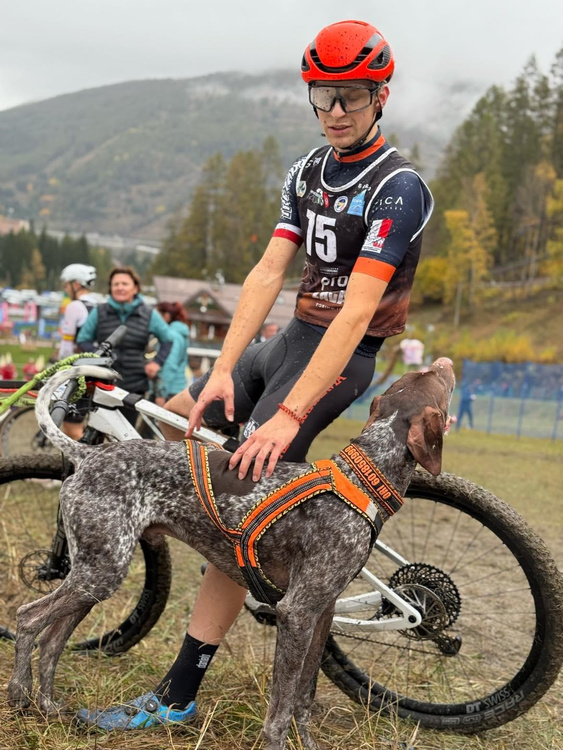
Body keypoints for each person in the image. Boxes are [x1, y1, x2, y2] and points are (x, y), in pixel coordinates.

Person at [77, 19, 433, 730]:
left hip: (339, 353)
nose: (335, 110)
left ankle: (178, 694)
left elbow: (356, 311)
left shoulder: (398, 187)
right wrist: (219, 371)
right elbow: (269, 271)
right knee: (174, 415)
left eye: (351, 96)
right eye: (322, 96)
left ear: (381, 96)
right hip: (286, 339)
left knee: (239, 496)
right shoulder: (306, 170)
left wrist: (290, 414)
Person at [76, 267, 172, 425]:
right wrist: (98, 356)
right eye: (116, 284)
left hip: (134, 384)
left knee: (127, 431)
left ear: (135, 288)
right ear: (111, 288)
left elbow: (168, 340)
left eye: (125, 284)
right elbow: (83, 339)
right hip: (103, 381)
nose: (120, 287)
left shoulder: (149, 314)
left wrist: (157, 363)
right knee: (99, 429)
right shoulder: (99, 312)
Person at [57, 264, 99, 439]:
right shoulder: (98, 305)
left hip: (78, 371)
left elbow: (67, 345)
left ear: (76, 284)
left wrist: (59, 366)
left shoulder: (74, 306)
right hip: (96, 369)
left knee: (71, 427)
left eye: (66, 285)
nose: (65, 289)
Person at [155, 301, 190, 405]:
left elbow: (170, 365)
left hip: (168, 391)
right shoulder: (179, 333)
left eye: (156, 315)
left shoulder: (172, 335)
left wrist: (161, 393)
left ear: (166, 316)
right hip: (175, 388)